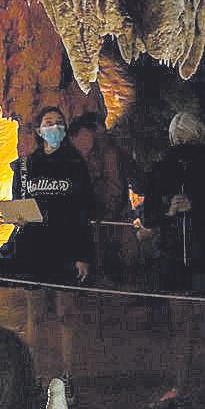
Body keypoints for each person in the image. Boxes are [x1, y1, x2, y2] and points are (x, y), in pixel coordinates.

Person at [141, 112, 205, 409]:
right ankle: (178, 385)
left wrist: (197, 206)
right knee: (179, 326)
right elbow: (148, 214)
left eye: (188, 137)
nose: (183, 142)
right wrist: (167, 209)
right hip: (174, 259)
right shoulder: (161, 170)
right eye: (178, 137)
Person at [0, 107, 96, 377]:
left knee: (66, 314)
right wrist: (17, 216)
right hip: (34, 247)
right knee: (35, 315)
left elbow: (84, 210)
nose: (55, 128)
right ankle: (34, 375)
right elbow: (19, 202)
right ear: (39, 131)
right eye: (49, 123)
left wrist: (83, 254)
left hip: (66, 246)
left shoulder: (75, 165)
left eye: (60, 123)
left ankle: (67, 376)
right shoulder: (27, 166)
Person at [70, 111, 142, 286]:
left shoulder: (110, 151)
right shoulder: (105, 149)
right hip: (97, 214)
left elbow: (121, 184)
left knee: (120, 262)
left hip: (109, 214)